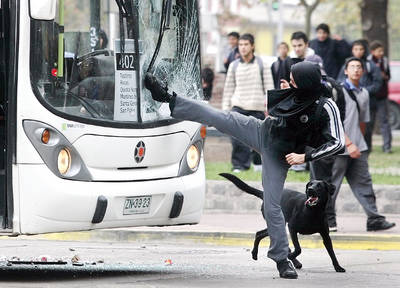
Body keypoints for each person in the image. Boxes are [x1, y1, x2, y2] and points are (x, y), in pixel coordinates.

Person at [144, 61, 345, 279]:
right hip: (261, 130)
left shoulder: (325, 106)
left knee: (271, 205)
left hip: (278, 156)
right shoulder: (295, 92)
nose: (290, 80)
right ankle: (168, 97)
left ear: (306, 83)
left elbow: (338, 143)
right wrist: (288, 95)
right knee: (219, 117)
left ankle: (281, 259)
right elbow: (279, 113)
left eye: (294, 78)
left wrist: (304, 157)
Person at [327, 57, 395, 232]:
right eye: (352, 67)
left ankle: (374, 219)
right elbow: (334, 122)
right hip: (340, 148)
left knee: (365, 184)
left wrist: (358, 141)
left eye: (359, 67)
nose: (356, 70)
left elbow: (363, 122)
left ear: (363, 72)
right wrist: (349, 143)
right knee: (332, 186)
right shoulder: (338, 91)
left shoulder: (364, 93)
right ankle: (328, 220)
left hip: (359, 149)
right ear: (346, 71)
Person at [222, 33, 273, 172]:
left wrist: (270, 110)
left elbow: (269, 89)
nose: (243, 48)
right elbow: (228, 89)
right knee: (236, 138)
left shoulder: (263, 64)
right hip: (238, 106)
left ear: (252, 46)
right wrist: (226, 109)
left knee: (259, 139)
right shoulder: (233, 65)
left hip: (257, 108)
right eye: (240, 45)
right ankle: (239, 166)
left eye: (246, 45)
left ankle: (258, 164)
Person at [337, 40, 383, 152]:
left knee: (367, 128)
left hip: (368, 102)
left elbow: (378, 82)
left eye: (361, 49)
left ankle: (365, 150)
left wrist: (363, 92)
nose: (358, 52)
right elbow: (339, 80)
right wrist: (351, 90)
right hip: (349, 102)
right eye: (355, 49)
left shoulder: (370, 65)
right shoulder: (346, 65)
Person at [367, 40, 392, 153]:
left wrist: (384, 76)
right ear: (372, 51)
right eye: (379, 51)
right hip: (371, 96)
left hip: (383, 96)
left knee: (385, 122)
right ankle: (368, 146)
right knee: (369, 122)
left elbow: (388, 76)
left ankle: (387, 146)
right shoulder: (367, 62)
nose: (381, 53)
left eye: (382, 51)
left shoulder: (384, 61)